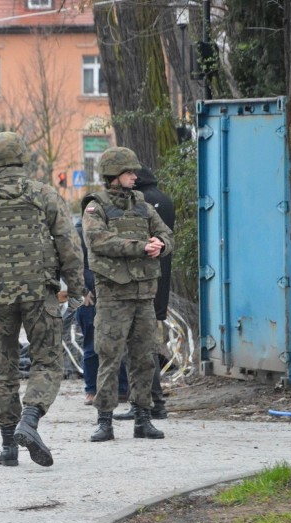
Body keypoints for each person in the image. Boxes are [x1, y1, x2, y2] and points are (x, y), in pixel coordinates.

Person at [0, 132, 85, 467]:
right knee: (47, 362)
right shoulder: (44, 195)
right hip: (39, 295)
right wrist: (75, 291)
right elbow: (69, 246)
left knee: (3, 368)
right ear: (21, 158)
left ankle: (8, 446)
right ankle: (30, 421)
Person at [82, 147, 174, 442]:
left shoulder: (143, 206)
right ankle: (105, 420)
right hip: (113, 295)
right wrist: (140, 247)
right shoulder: (96, 207)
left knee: (145, 357)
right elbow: (98, 241)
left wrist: (161, 243)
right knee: (109, 357)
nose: (135, 176)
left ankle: (142, 417)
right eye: (129, 172)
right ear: (113, 175)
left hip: (144, 293)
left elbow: (166, 234)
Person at [114, 166, 175, 421]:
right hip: (158, 284)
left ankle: (146, 403)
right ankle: (155, 403)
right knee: (147, 345)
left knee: (137, 347)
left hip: (140, 284)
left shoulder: (141, 203)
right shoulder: (164, 200)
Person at [73, 216, 129, 405]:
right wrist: (81, 291)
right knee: (92, 346)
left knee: (116, 344)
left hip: (111, 296)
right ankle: (92, 390)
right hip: (90, 299)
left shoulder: (111, 231)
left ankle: (121, 389)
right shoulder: (78, 234)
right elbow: (69, 265)